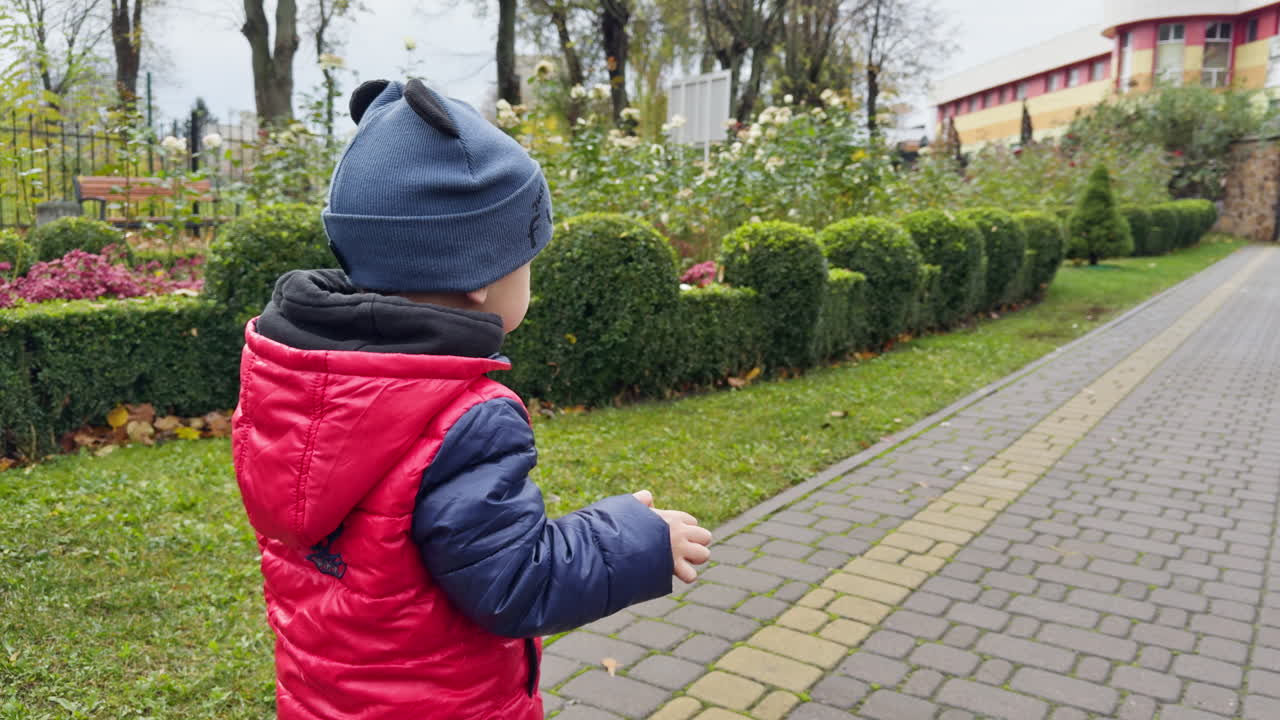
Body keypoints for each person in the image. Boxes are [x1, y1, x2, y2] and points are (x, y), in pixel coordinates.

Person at [230, 78, 712, 720]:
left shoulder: (299, 380)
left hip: (327, 700)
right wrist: (636, 539)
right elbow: (514, 583)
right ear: (481, 278)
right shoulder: (464, 415)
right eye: (527, 260)